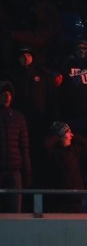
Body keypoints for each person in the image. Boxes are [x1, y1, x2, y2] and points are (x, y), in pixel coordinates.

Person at [0, 81, 31, 213]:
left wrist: (27, 173)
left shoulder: (18, 117)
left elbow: (24, 147)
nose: (7, 97)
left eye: (9, 94)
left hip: (14, 170)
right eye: (3, 94)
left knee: (14, 212)